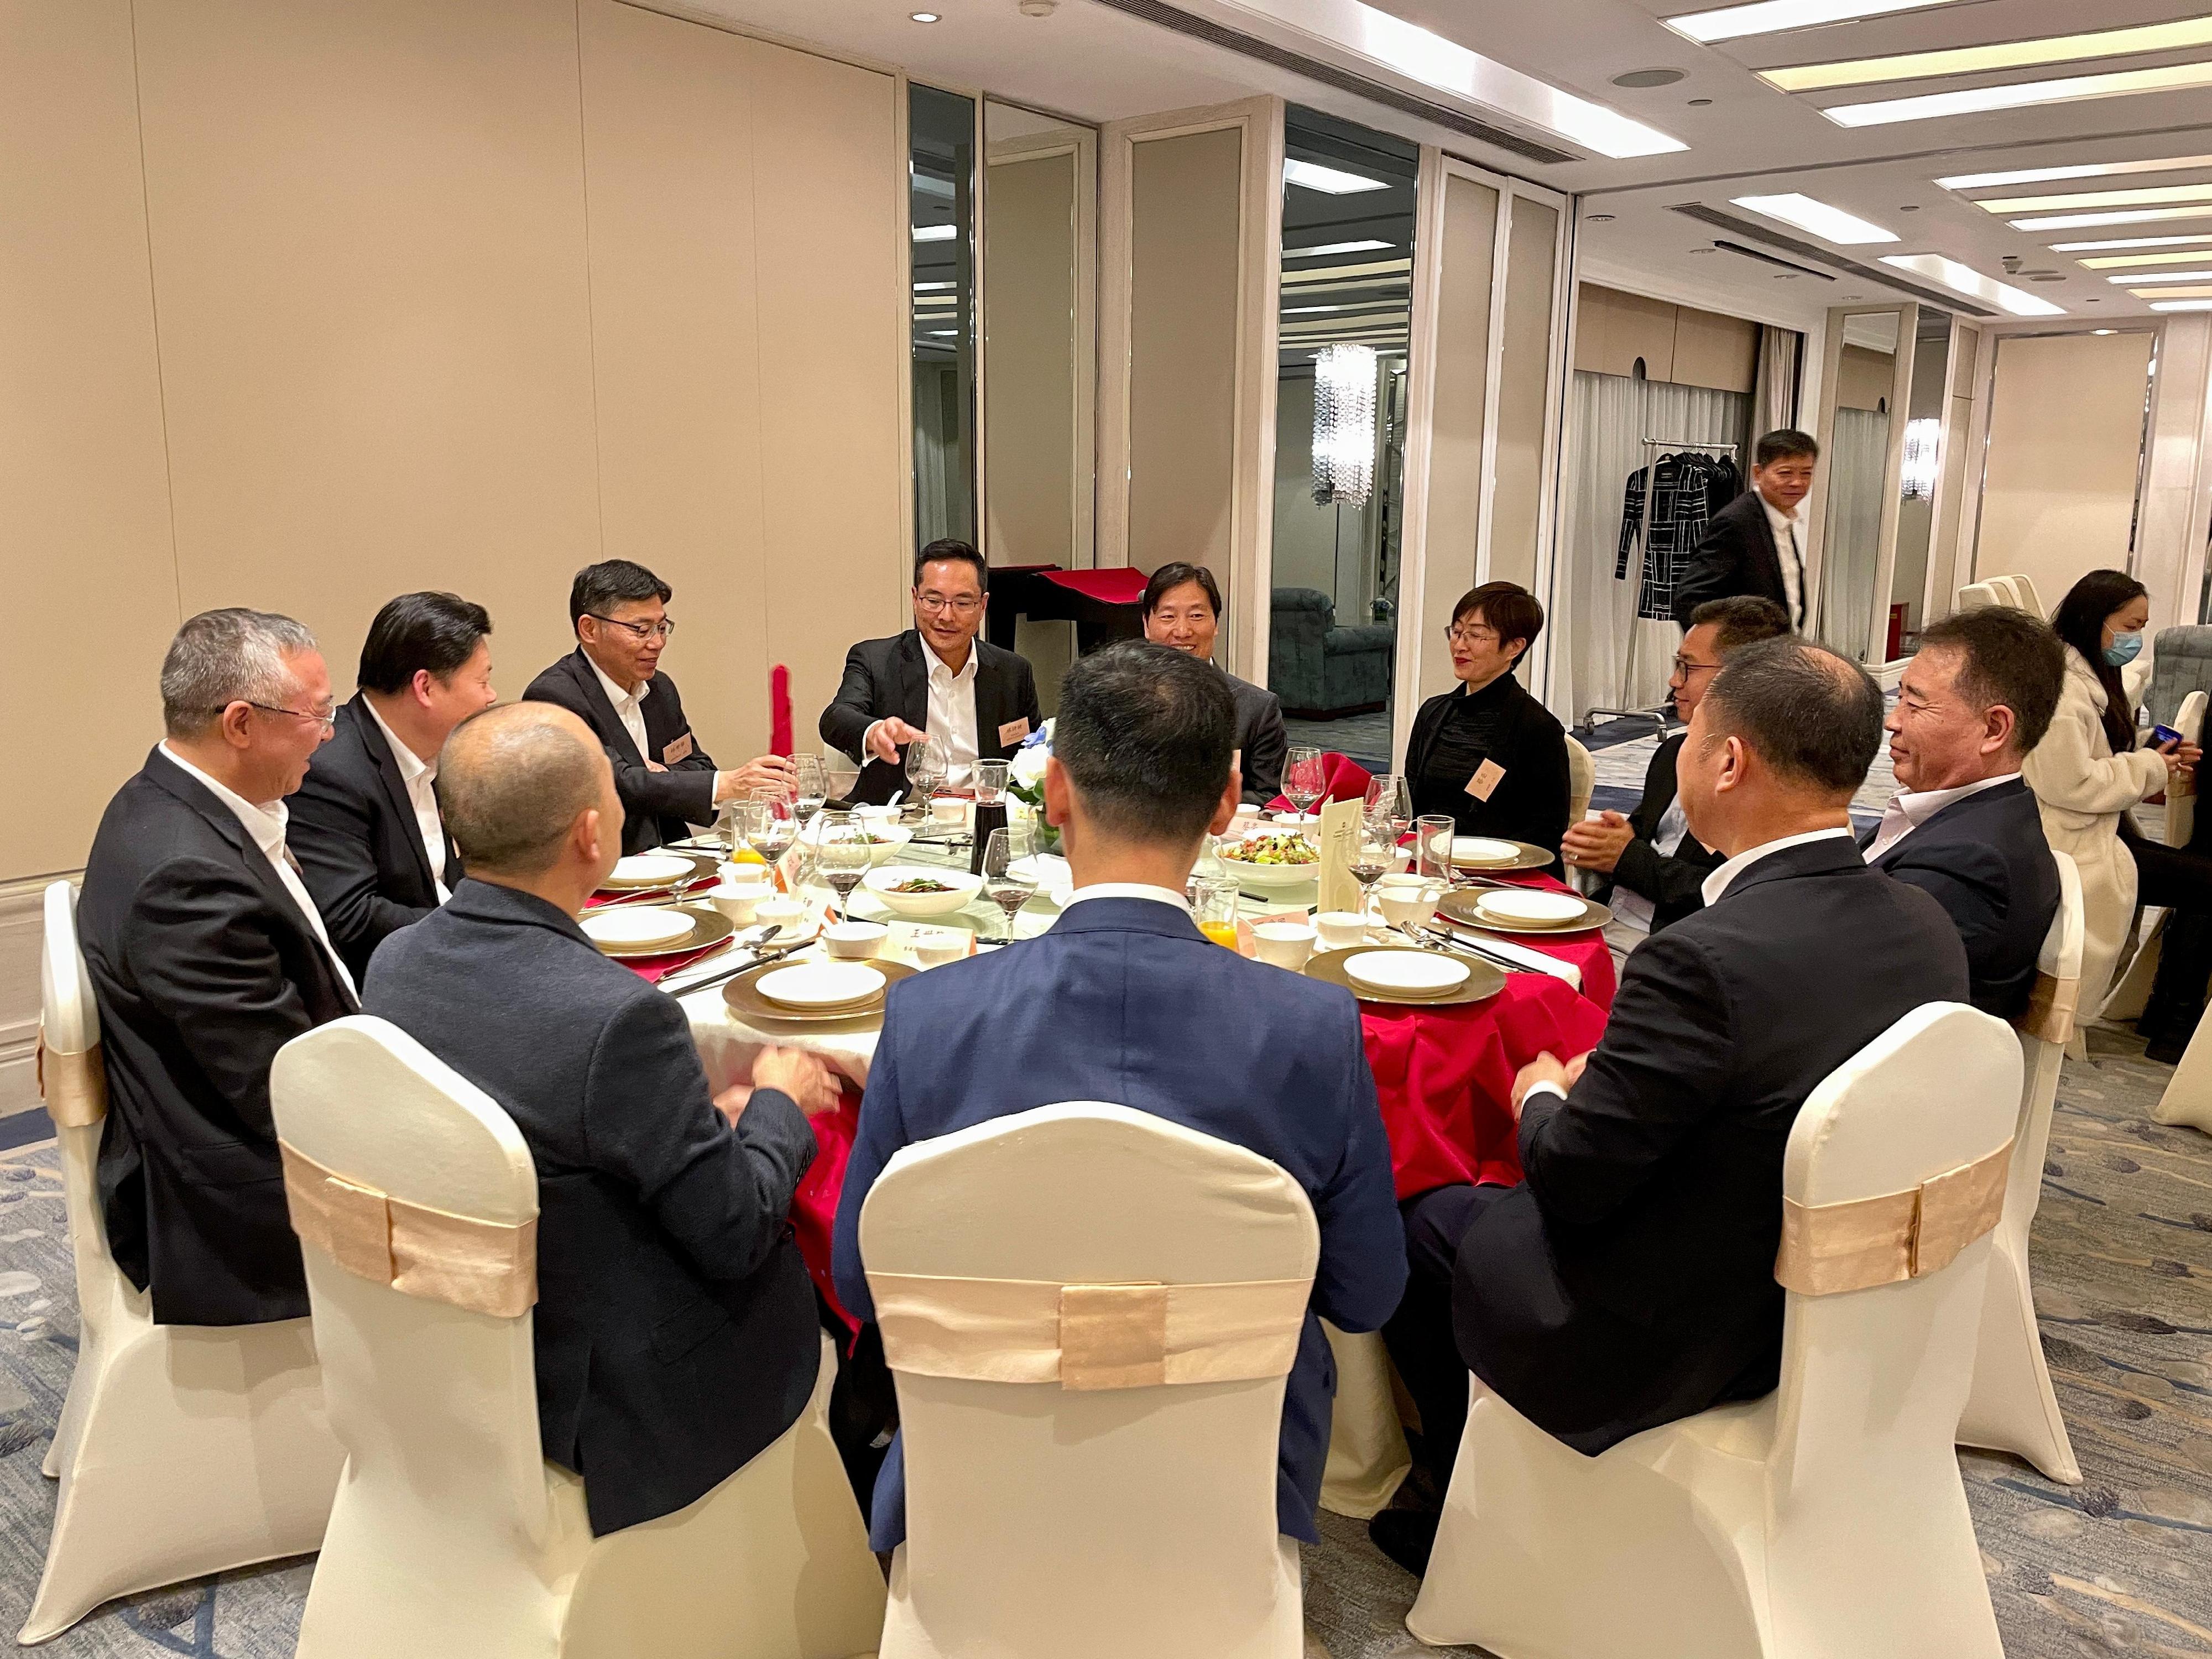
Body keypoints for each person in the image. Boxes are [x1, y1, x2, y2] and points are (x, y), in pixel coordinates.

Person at [1373, 638, 1968, 1577]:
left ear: (1728, 762)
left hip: (1669, 1330)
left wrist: (1537, 1095)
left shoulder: (1701, 958)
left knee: (1421, 1210)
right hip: (1833, 1306)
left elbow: (1571, 1181)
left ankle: (1457, 1496)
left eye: (1690, 736)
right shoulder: (1922, 924)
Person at [832, 640, 1404, 1556]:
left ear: (1053, 795)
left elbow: (864, 1280)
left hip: (973, 1499)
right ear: (1226, 803)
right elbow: (1368, 1293)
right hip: (1236, 1497)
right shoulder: (1313, 1028)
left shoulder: (929, 1016)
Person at [363, 702, 840, 1536]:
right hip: (614, 1389)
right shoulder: (622, 1019)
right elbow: (734, 1231)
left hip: (452, 1341)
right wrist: (777, 1100)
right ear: (593, 834)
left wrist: (690, 1128)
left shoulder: (397, 962)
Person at [76, 609, 359, 1326]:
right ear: (240, 723)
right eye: (316, 716)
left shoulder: (162, 801)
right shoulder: (186, 877)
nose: (329, 738)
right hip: (234, 1207)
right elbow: (286, 1098)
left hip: (228, 1127)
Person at [1866, 607, 2065, 1021]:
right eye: (1898, 696)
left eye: (1915, 705)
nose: (1892, 721)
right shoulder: (1982, 816)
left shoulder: (1969, 865)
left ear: (1994, 729)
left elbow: (1849, 996)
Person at [523, 559, 792, 857]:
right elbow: (611, 784)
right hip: (602, 868)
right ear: (589, 629)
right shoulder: (554, 697)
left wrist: (659, 773)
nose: (658, 643)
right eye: (641, 630)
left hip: (672, 859)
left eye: (662, 627)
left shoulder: (659, 689)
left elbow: (699, 765)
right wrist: (727, 784)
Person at [290, 591, 496, 979]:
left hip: (452, 961)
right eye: (483, 680)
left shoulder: (436, 748)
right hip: (394, 987)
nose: (491, 696)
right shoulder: (331, 772)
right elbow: (351, 917)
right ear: (426, 688)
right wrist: (475, 930)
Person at [2023, 570, 2200, 1019]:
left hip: (2101, 828)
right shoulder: (2061, 692)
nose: (2137, 639)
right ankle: (2172, 1019)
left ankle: (2167, 1014)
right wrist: (2151, 767)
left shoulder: (2094, 674)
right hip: (2068, 838)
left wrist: (2151, 749)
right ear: (2093, 620)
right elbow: (2072, 784)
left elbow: (2102, 749)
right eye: (2130, 628)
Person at [1563, 596, 1790, 934]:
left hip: (1669, 943)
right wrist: (1619, 837)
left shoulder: (1774, 777)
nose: (1674, 681)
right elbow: (1650, 835)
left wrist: (1628, 858)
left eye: (1689, 667)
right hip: (1609, 914)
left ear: (1742, 678)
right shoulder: (1675, 750)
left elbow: (1736, 894)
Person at [820, 539, 1043, 806]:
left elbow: (1032, 752)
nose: (946, 616)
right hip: (901, 824)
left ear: (982, 606)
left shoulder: (1013, 672)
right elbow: (836, 718)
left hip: (984, 821)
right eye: (934, 601)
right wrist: (876, 731)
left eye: (962, 603)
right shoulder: (875, 659)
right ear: (915, 599)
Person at [1402, 581, 1570, 859]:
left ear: (1514, 647)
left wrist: (1478, 864)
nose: (1459, 645)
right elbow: (1410, 804)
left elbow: (1546, 831)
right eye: (1456, 632)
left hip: (1499, 875)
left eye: (1476, 636)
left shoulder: (1538, 728)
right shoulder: (1433, 713)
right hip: (1427, 863)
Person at [1141, 561, 1287, 805]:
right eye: (1168, 617)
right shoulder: (1119, 699)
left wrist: (1191, 810)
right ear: (1147, 624)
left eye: (1196, 616)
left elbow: (1270, 796)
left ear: (1216, 624)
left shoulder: (1257, 709)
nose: (1182, 630)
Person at [1671, 429, 1819, 629]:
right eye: (1785, 473)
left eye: (1806, 473)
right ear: (1758, 473)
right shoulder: (1736, 522)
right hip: (1744, 656)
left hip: (1779, 651)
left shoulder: (1782, 518)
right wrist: (1722, 654)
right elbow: (1691, 600)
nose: (1797, 482)